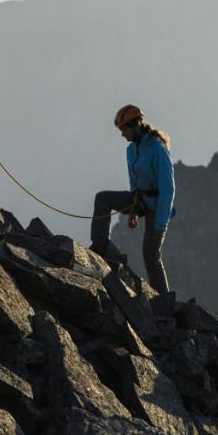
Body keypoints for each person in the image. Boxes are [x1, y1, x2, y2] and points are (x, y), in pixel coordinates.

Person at [90, 104, 175, 293]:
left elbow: (168, 189)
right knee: (103, 199)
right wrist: (134, 210)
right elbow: (134, 182)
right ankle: (100, 245)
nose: (122, 135)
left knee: (151, 255)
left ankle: (164, 300)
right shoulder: (131, 150)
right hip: (141, 199)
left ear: (135, 125)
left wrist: (161, 224)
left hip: (157, 206)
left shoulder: (157, 149)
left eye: (124, 130)